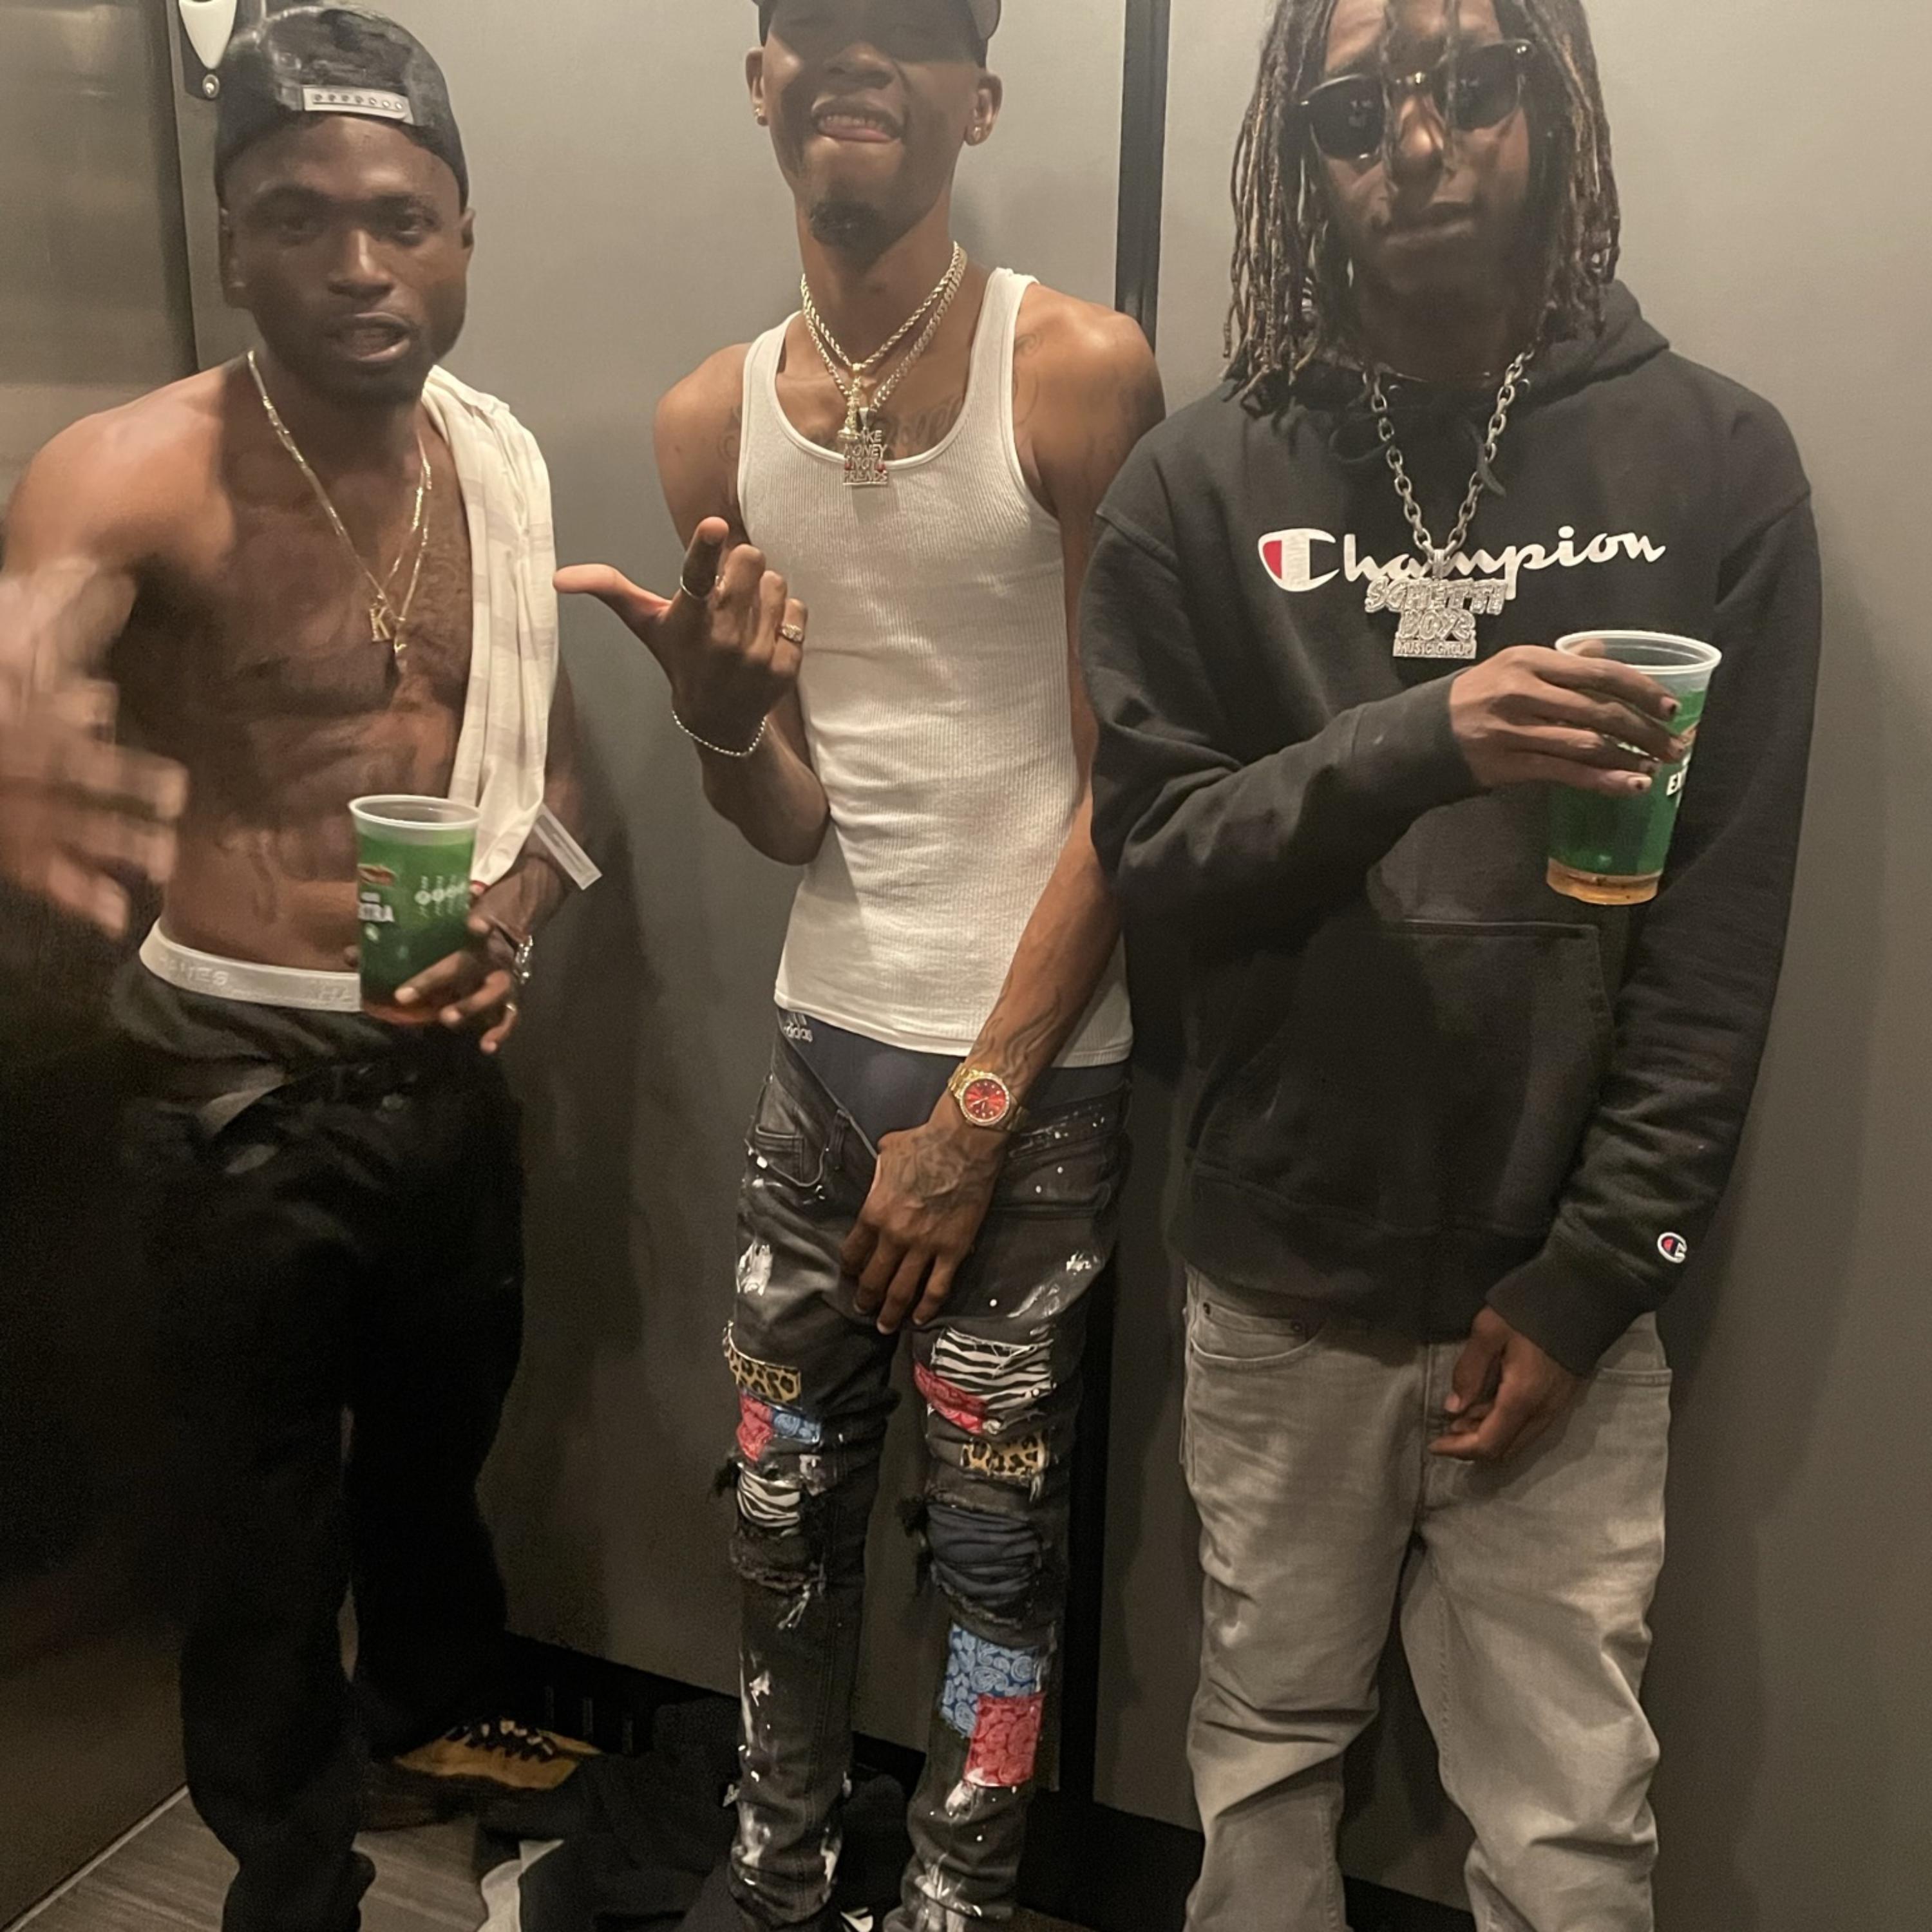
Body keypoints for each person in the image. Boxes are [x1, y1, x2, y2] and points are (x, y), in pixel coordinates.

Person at [0, 9, 750, 1927]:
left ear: (466, 236)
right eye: (300, 219)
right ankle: (288, 1875)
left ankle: (422, 1736)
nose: (358, 265)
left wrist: (513, 923)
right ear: (233, 243)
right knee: (255, 1534)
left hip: (440, 1081)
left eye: (402, 220)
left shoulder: (497, 471)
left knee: (439, 1465)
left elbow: (551, 781)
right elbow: (32, 638)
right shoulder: (132, 472)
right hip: (226, 1100)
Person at [1081, 1, 1821, 1927]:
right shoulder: (1194, 482)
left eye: (1471, 83)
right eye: (1353, 110)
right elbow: (1153, 867)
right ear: (1295, 154)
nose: (1415, 143)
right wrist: (1421, 742)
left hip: (1563, 1290)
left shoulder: (1719, 461)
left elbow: (1720, 942)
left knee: (1570, 1838)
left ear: (1554, 105)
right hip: (1280, 1274)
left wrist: (1595, 1277)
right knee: (1261, 1770)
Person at [562, 1, 1164, 1925]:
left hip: (1028, 1099)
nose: (856, 57)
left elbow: (1131, 794)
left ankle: (961, 1901)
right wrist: (720, 723)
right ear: (759, 77)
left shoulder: (1076, 372)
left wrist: (975, 1114)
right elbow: (798, 818)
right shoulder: (706, 419)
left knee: (994, 1567)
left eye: (911, 24)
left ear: (979, 98)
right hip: (821, 1065)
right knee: (776, 1518)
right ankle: (775, 1877)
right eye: (814, 19)